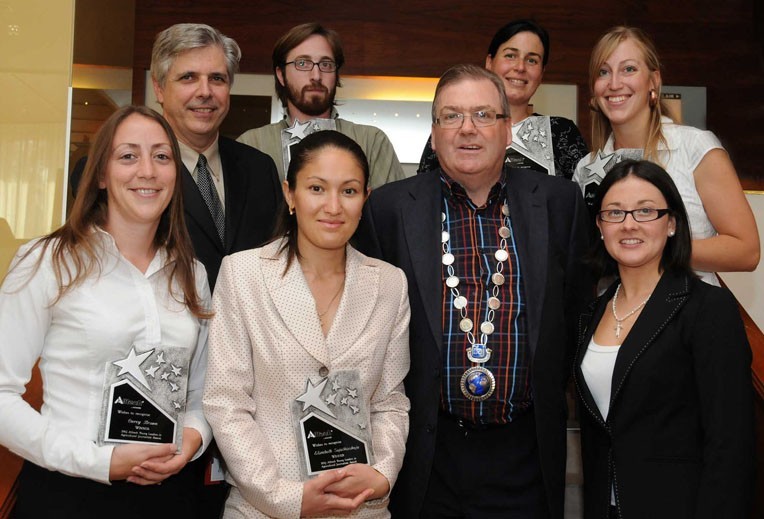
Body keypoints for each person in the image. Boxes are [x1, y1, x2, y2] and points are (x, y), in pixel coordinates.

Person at [355, 64, 590, 518]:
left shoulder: (560, 203)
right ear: (434, 131)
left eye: (483, 115)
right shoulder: (388, 210)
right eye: (451, 116)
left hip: (526, 450)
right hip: (427, 451)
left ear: (507, 129)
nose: (467, 129)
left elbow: (576, 311)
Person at [0, 106, 212, 518]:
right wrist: (99, 462)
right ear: (100, 175)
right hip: (67, 494)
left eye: (162, 156)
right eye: (128, 156)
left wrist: (191, 439)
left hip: (170, 496)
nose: (147, 170)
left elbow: (200, 394)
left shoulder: (192, 273)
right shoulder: (47, 262)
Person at [204, 130, 411, 518]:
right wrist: (285, 497)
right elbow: (226, 401)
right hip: (262, 508)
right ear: (289, 194)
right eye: (317, 188)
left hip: (360, 508)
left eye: (349, 191)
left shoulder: (389, 284)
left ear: (365, 198)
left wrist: (382, 474)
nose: (333, 206)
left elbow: (389, 402)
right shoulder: (243, 274)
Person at [573, 159, 754, 518]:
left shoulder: (706, 309)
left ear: (671, 223)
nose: (628, 224)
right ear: (600, 225)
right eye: (614, 212)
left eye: (645, 211)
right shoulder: (592, 313)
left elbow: (731, 444)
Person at [573, 26, 759, 286]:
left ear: (654, 81)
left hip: (689, 315)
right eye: (604, 72)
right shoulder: (586, 168)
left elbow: (746, 251)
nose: (614, 83)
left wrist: (657, 249)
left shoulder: (694, 147)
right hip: (614, 316)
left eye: (629, 69)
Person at [237, 22, 406, 189]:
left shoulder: (372, 142)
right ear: (281, 75)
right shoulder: (252, 145)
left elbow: (393, 213)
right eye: (302, 63)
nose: (316, 76)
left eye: (326, 64)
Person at [418, 19, 588, 179]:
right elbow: (423, 194)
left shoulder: (561, 133)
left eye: (532, 60)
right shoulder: (453, 128)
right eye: (510, 56)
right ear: (489, 62)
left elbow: (579, 203)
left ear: (542, 73)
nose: (520, 67)